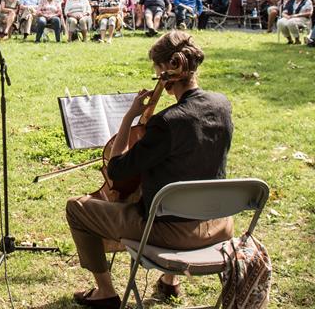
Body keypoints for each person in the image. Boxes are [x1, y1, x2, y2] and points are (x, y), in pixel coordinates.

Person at [65, 31, 233, 308]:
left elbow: (117, 169)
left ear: (167, 72)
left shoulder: (166, 122)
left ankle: (105, 291)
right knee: (178, 190)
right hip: (218, 225)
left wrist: (129, 117)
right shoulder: (222, 105)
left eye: (157, 70)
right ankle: (169, 282)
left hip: (172, 233)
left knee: (77, 207)